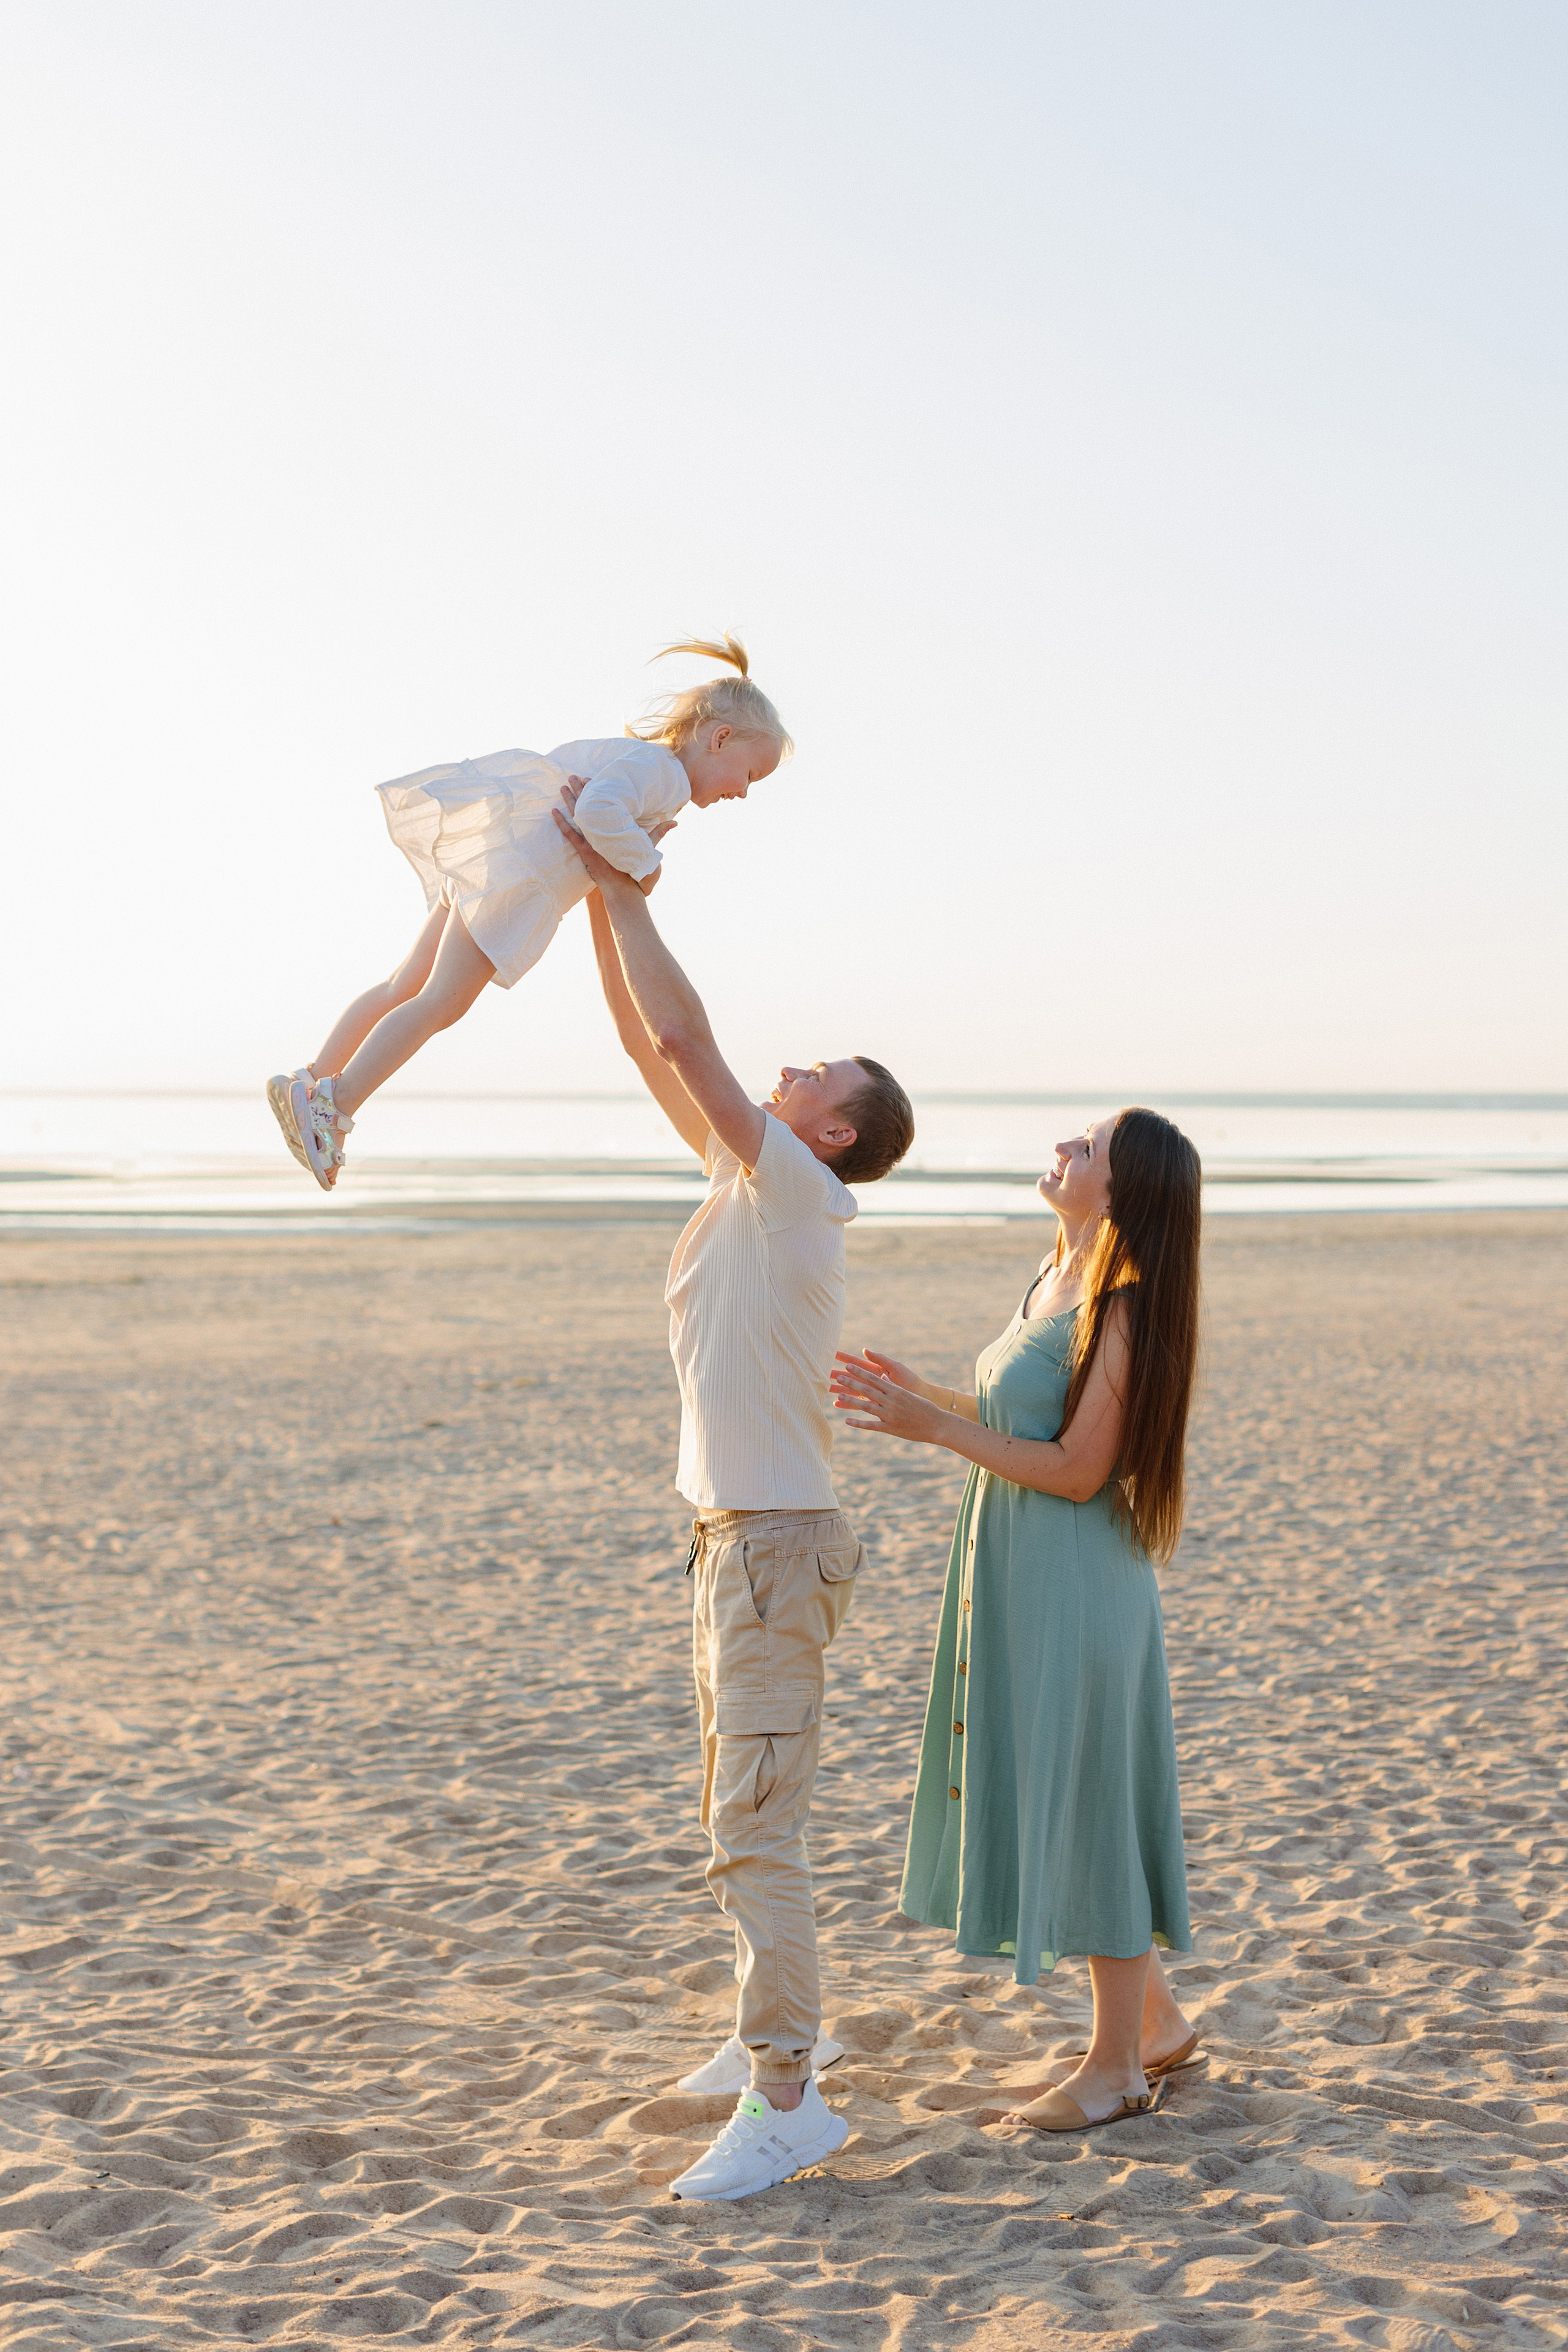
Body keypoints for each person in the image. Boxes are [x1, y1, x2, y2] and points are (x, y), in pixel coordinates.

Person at [553, 789, 915, 2202]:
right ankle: (762, 2038)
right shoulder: (744, 1175)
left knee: (752, 1829)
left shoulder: (796, 1195)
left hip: (771, 1547)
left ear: (830, 1132)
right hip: (732, 1547)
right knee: (737, 1812)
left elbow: (689, 1041)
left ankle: (786, 2094)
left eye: (817, 1068)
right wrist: (596, 899)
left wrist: (627, 880)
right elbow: (657, 1044)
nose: (791, 1062)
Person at [829, 1108, 1204, 2133]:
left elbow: (1081, 1472)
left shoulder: (1124, 1304)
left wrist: (932, 1426)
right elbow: (1023, 1426)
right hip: (1020, 1569)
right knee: (1061, 1785)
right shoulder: (1055, 1275)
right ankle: (1159, 2023)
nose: (1064, 1151)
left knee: (1089, 1806)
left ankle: (1118, 2068)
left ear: (1120, 1193)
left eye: (1087, 1150)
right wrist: (929, 1398)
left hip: (1079, 1584)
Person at [265, 637, 787, 1189]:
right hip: (513, 885)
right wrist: (647, 861)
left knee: (404, 984)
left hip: (494, 864)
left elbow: (574, 785)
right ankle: (334, 1104)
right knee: (442, 1001)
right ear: (721, 738)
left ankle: (312, 1078)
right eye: (750, 776)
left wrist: (627, 843)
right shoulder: (665, 775)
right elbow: (596, 809)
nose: (745, 794)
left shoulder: (641, 761)